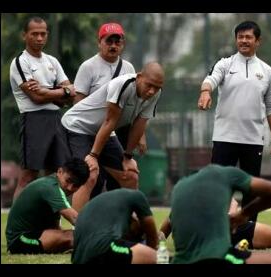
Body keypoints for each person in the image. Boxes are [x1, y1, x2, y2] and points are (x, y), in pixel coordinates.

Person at [197, 20, 271, 221]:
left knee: (250, 192)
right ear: (236, 39)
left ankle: (247, 235)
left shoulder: (267, 71)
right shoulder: (225, 64)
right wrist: (205, 92)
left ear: (258, 41)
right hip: (224, 138)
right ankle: (214, 230)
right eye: (240, 37)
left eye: (248, 37)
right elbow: (211, 79)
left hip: (253, 140)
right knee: (218, 187)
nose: (243, 41)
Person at [62, 62, 164, 211]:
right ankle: (78, 231)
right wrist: (93, 155)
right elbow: (110, 121)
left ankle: (126, 229)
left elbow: (139, 124)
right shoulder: (124, 85)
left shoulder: (155, 94)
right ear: (139, 77)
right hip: (77, 127)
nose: (151, 91)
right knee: (89, 173)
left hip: (104, 131)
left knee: (131, 176)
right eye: (149, 85)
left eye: (157, 87)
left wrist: (128, 157)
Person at [162, 164, 271, 264]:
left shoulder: (181, 190)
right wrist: (242, 215)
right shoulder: (222, 176)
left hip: (236, 229)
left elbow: (162, 232)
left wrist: (237, 217)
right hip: (228, 240)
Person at [9, 16, 77, 200]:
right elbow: (36, 97)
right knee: (28, 177)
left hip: (56, 120)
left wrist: (51, 90)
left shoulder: (52, 61)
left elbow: (71, 95)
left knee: (57, 176)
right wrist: (61, 92)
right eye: (34, 34)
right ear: (25, 35)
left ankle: (51, 223)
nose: (39, 38)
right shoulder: (20, 62)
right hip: (34, 120)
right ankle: (16, 226)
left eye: (43, 34)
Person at [73, 22, 142, 199]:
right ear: (99, 42)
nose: (113, 46)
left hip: (117, 132)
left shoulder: (129, 68)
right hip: (90, 132)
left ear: (122, 44)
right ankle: (81, 223)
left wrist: (140, 135)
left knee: (124, 176)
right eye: (108, 41)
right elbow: (78, 103)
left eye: (117, 42)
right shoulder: (88, 67)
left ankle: (125, 221)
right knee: (91, 176)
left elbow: (135, 105)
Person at [160, 195, 271, 251]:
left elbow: (232, 206)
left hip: (238, 231)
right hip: (227, 241)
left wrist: (231, 213)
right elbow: (161, 235)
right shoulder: (178, 212)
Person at [5, 158, 97, 254]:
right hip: (20, 240)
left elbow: (55, 228)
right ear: (59, 171)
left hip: (32, 236)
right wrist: (100, 234)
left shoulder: (53, 186)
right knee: (74, 237)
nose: (70, 188)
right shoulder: (50, 187)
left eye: (75, 185)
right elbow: (75, 218)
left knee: (75, 236)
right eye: (68, 180)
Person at [71, 188, 158, 264]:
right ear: (135, 218)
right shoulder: (137, 196)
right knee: (155, 257)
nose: (135, 238)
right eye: (138, 233)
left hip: (79, 258)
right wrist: (153, 249)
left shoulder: (106, 211)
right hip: (105, 249)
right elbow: (151, 231)